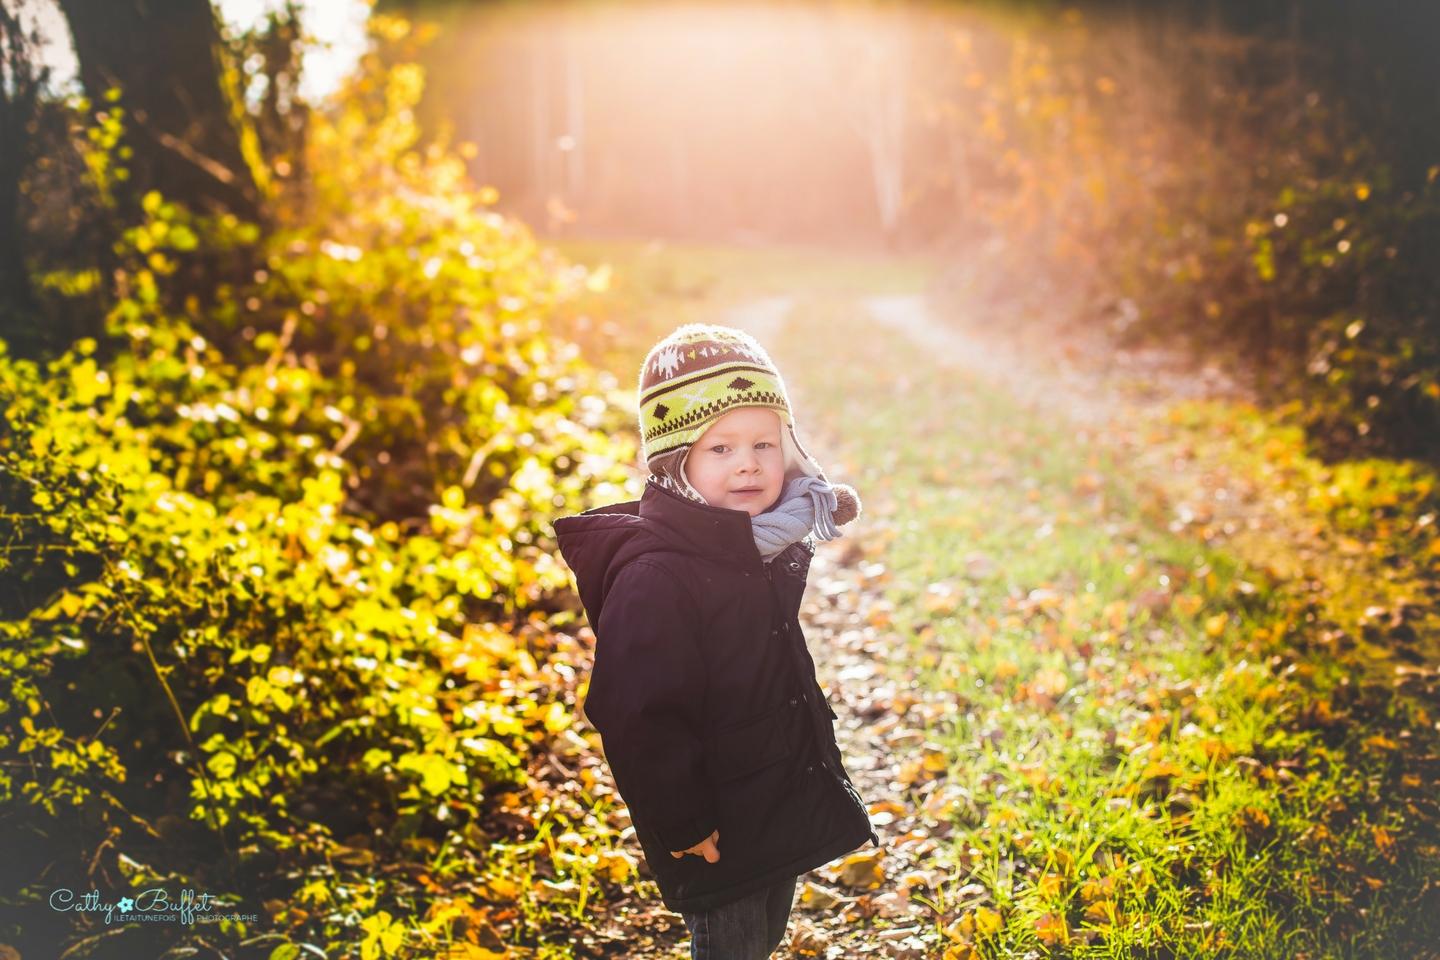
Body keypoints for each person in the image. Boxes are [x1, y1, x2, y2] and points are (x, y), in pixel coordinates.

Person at [555, 324, 877, 960]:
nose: (750, 463)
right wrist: (681, 818)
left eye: (764, 442)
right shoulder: (658, 574)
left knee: (764, 934)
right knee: (730, 945)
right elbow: (635, 713)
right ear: (677, 466)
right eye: (720, 448)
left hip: (768, 789)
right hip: (714, 817)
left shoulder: (757, 541)